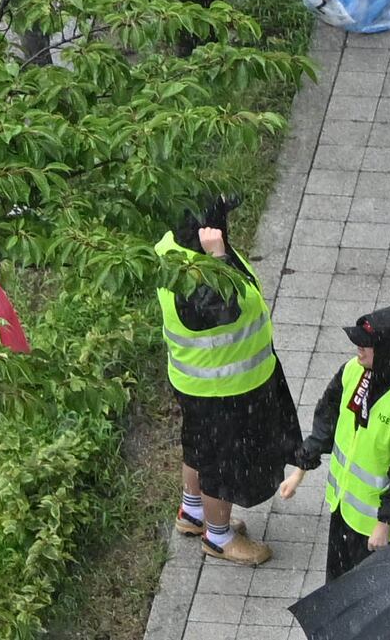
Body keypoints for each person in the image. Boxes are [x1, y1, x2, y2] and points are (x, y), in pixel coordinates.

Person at [153, 201, 293, 568]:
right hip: (222, 388)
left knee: (198, 447)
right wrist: (218, 259)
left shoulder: (174, 251)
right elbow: (222, 308)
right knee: (222, 464)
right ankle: (219, 537)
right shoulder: (196, 272)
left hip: (201, 383)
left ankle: (193, 513)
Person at [290, 304, 390, 580]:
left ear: (389, 351)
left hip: (386, 533)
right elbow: (328, 417)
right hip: (345, 513)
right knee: (341, 589)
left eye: (367, 344)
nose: (359, 349)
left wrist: (384, 523)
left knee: (387, 599)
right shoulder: (353, 372)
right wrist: (303, 464)